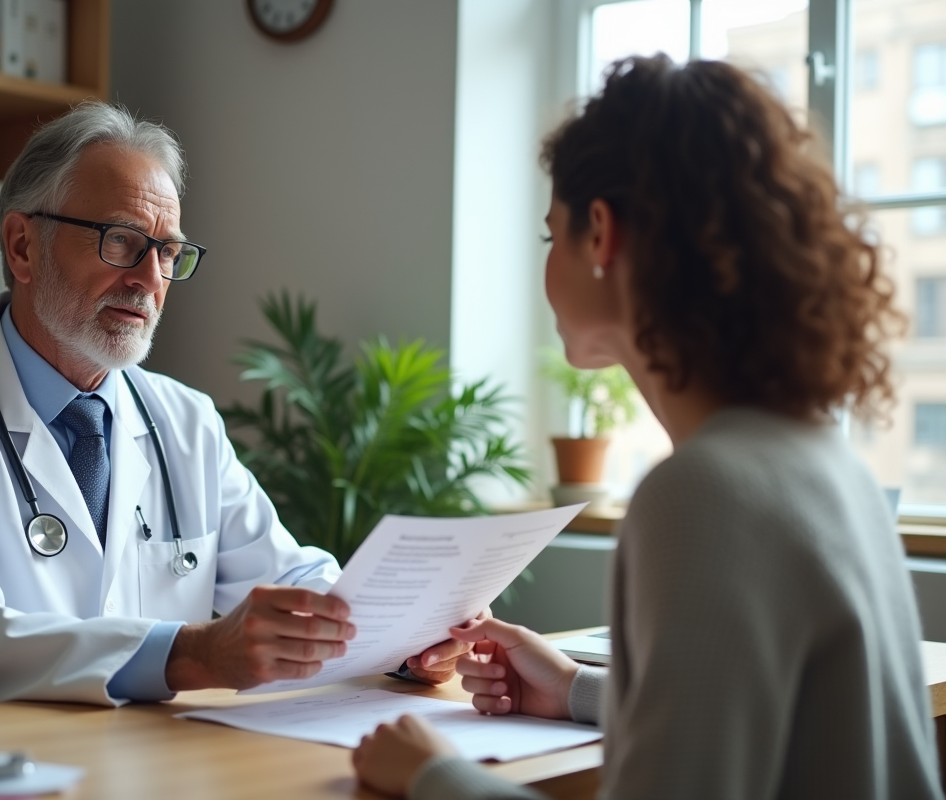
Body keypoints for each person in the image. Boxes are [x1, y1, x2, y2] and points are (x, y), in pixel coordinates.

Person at [352, 55, 945, 799]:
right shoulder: (823, 457)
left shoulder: (705, 492)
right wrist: (573, 687)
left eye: (549, 238)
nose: (546, 268)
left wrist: (433, 776)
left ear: (600, 233)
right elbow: (751, 712)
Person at [0, 101, 469, 716]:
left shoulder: (184, 421)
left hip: (145, 771)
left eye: (168, 252)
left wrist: (404, 636)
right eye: (121, 241)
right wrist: (191, 656)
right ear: (23, 246)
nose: (149, 278)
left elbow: (285, 576)